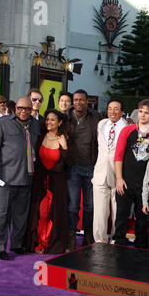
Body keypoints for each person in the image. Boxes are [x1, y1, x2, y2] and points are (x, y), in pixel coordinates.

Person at [0, 96, 40, 260]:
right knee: (1, 214)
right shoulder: (3, 123)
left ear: (32, 110)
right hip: (5, 177)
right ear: (15, 108)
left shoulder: (35, 125)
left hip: (27, 177)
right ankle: (0, 248)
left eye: (28, 108)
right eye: (21, 108)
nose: (24, 111)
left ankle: (16, 244)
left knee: (21, 215)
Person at [112, 99, 149, 248]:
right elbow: (118, 156)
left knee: (142, 218)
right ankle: (118, 241)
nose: (143, 115)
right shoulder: (127, 130)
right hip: (125, 180)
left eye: (147, 112)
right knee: (121, 215)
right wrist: (119, 178)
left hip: (145, 184)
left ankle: (141, 246)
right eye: (140, 111)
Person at [25, 109, 73, 254]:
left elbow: (70, 162)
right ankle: (39, 242)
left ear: (59, 122)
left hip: (57, 184)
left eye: (52, 120)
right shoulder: (40, 137)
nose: (49, 122)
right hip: (40, 183)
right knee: (40, 213)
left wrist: (64, 146)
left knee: (54, 214)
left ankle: (50, 243)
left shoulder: (64, 138)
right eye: (47, 119)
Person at [66, 89, 101, 251]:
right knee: (73, 206)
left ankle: (88, 237)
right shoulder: (65, 117)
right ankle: (71, 237)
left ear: (87, 101)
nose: (78, 102)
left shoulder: (96, 117)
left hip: (91, 166)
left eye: (81, 100)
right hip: (73, 167)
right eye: (75, 99)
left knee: (89, 206)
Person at [92, 100, 127, 244]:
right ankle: (100, 241)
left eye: (116, 109)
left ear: (122, 111)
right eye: (110, 108)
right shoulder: (101, 124)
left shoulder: (128, 127)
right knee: (99, 212)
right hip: (100, 174)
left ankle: (116, 240)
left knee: (117, 212)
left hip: (119, 175)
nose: (112, 112)